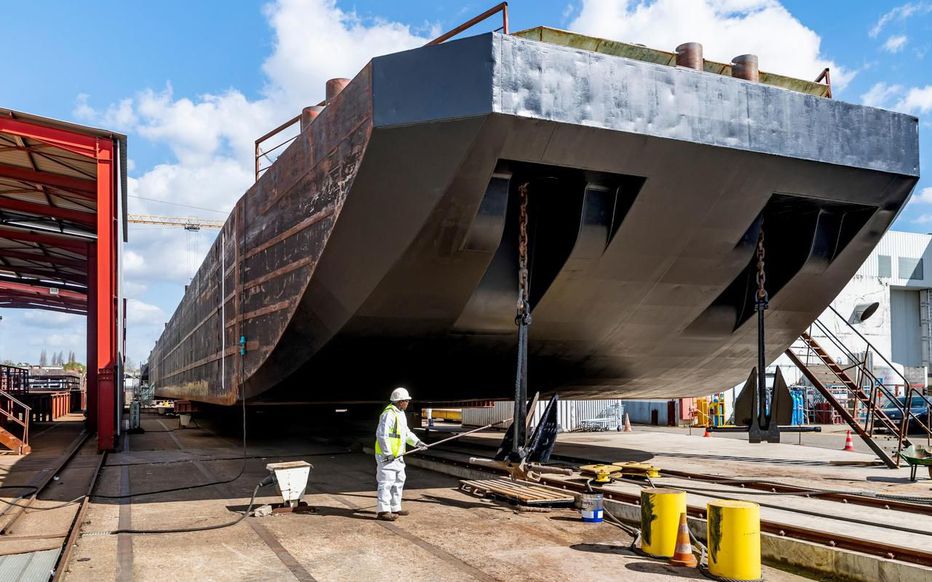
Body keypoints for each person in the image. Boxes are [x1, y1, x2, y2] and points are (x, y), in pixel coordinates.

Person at [374, 387, 426, 521]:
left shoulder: (400, 414)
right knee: (386, 482)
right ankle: (383, 511)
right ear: (399, 401)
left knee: (398, 481)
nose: (408, 403)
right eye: (406, 401)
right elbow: (382, 435)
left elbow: (406, 433)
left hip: (398, 456)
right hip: (387, 456)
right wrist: (388, 453)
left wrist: (417, 442)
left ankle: (395, 507)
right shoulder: (388, 414)